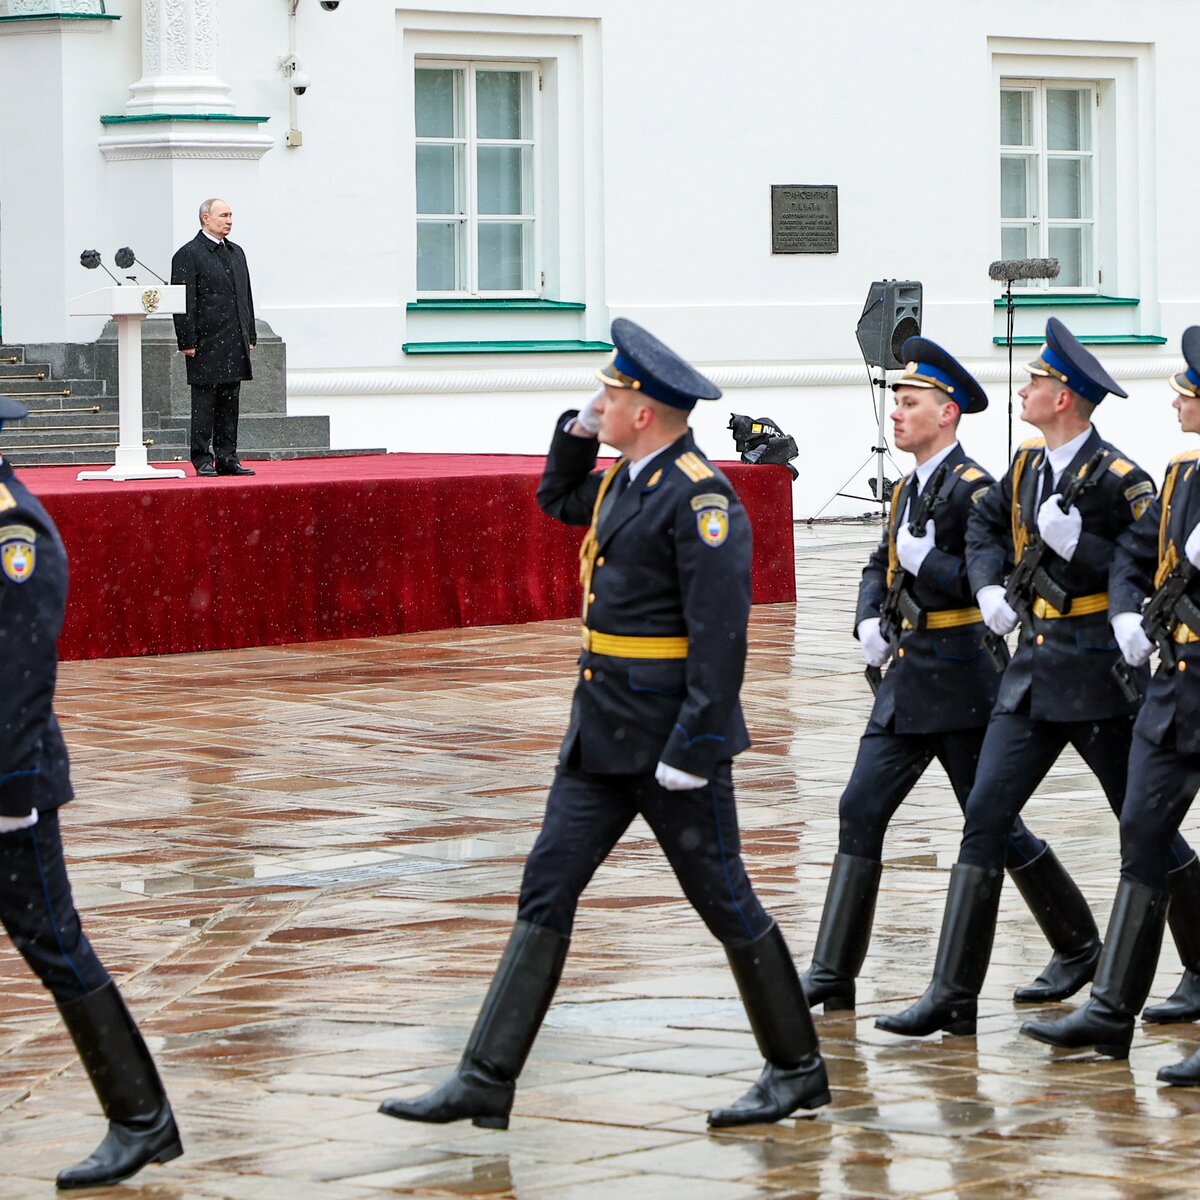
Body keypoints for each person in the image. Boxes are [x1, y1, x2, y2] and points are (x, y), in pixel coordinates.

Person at [377, 317, 829, 1130]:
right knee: (546, 887)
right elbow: (556, 498)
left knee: (725, 900)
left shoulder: (702, 498)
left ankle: (796, 1069)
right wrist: (575, 433)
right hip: (603, 731)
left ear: (645, 411)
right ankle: (486, 1074)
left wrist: (695, 746)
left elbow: (721, 638)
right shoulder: (629, 479)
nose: (599, 403)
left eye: (611, 395)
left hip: (669, 744)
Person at [876, 317, 1196, 1039]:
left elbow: (1141, 558)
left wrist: (1082, 550)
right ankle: (952, 996)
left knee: (1144, 827)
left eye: (1037, 382)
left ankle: (1197, 964)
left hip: (1099, 678)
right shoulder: (1024, 467)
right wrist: (986, 588)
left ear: (1067, 398)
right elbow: (987, 527)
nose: (1025, 388)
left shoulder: (1122, 478)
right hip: (1030, 675)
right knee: (984, 819)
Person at [802, 338, 1099, 1017]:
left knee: (993, 824)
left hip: (964, 680)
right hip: (907, 681)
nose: (897, 416)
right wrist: (868, 617)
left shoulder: (974, 491)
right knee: (859, 807)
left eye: (910, 404)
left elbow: (980, 579)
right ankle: (831, 971)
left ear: (948, 414)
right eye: (897, 403)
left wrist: (925, 563)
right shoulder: (909, 485)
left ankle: (1077, 941)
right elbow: (878, 563)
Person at [0, 396, 182, 1188]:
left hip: (10, 787)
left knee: (56, 945)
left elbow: (19, 676)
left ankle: (141, 1119)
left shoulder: (15, 531)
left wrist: (9, 792)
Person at [1021, 327, 1200, 1070]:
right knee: (1142, 830)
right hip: (1175, 684)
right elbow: (1138, 549)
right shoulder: (1184, 470)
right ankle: (1110, 1013)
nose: (1177, 399)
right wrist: (1127, 608)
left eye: (1187, 391)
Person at [171, 197, 256, 477]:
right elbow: (184, 302)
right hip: (206, 341)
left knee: (230, 403)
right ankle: (202, 458)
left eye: (231, 215)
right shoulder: (189, 254)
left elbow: (245, 296)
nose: (229, 220)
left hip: (234, 339)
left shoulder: (236, 252)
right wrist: (187, 340)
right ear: (205, 218)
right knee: (205, 404)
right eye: (223, 215)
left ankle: (227, 457)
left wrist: (250, 333)